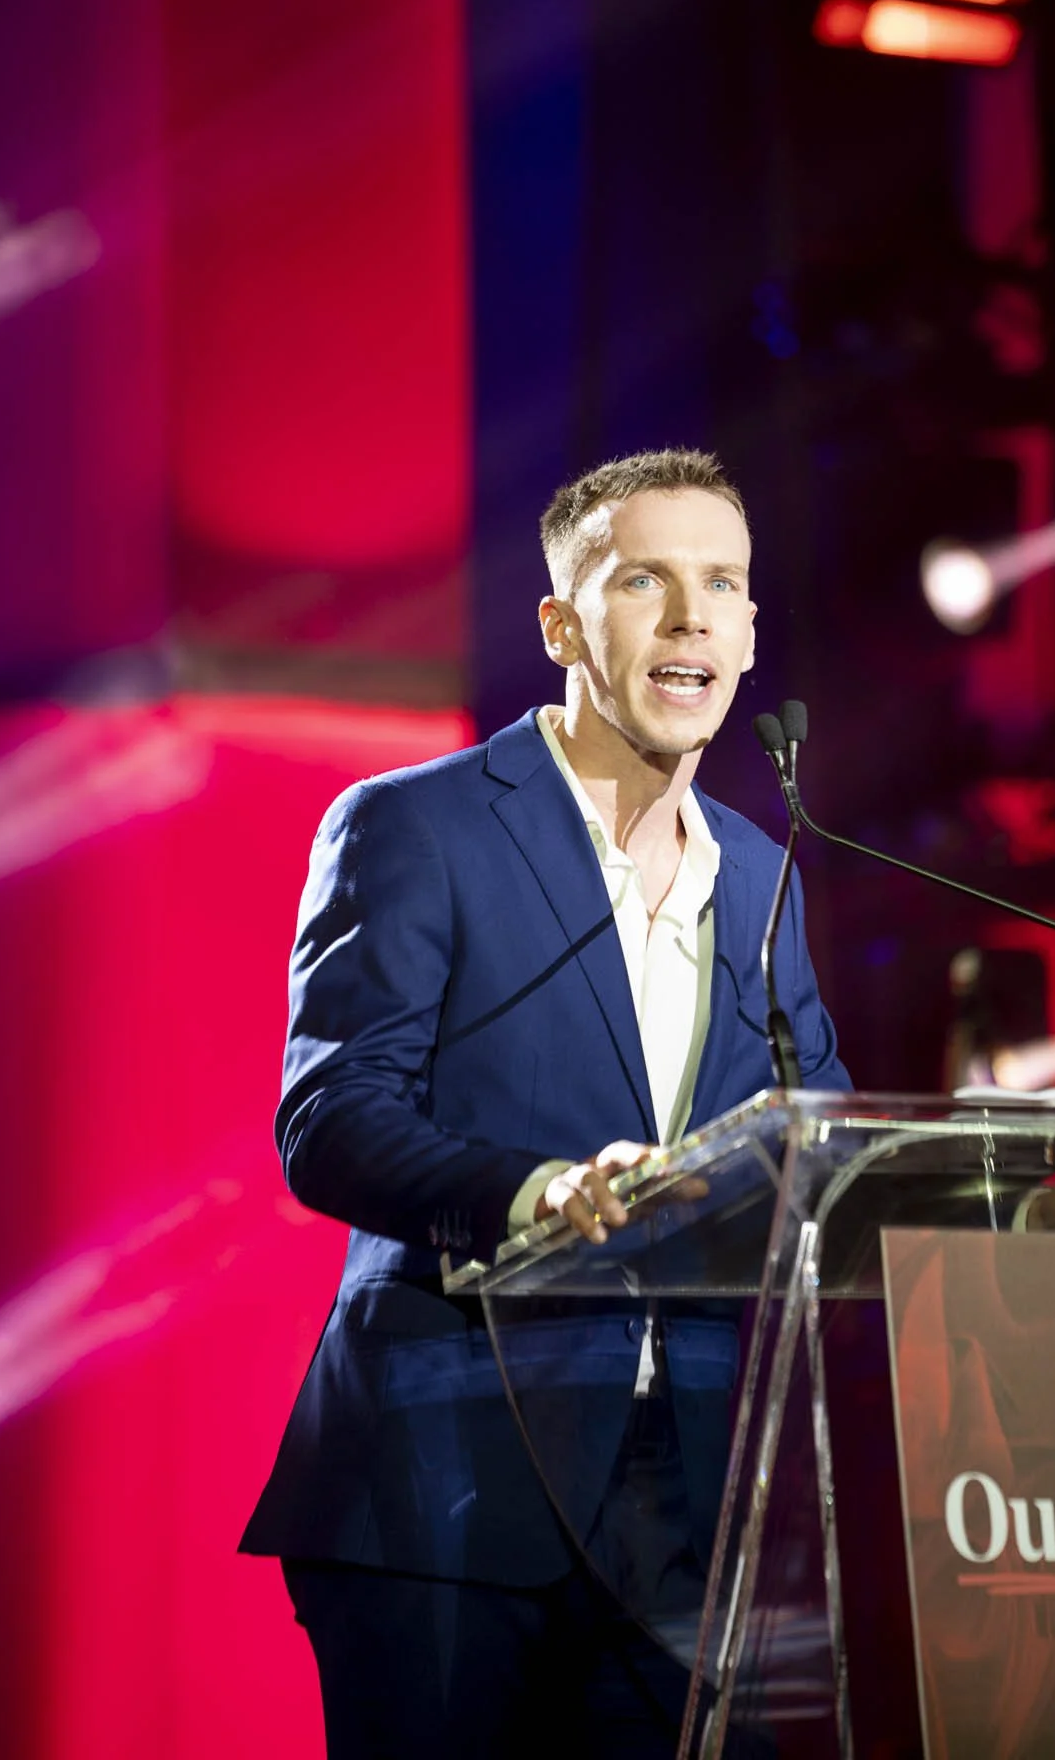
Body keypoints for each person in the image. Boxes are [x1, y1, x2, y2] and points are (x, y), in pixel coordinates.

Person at [241, 447, 852, 1755]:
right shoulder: (417, 825)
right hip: (445, 1474)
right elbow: (333, 1115)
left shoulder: (764, 873)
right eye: (646, 580)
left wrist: (1026, 1203)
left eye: (723, 585)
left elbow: (826, 1146)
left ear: (749, 631)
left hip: (686, 1508)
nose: (693, 615)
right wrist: (535, 1194)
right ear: (562, 623)